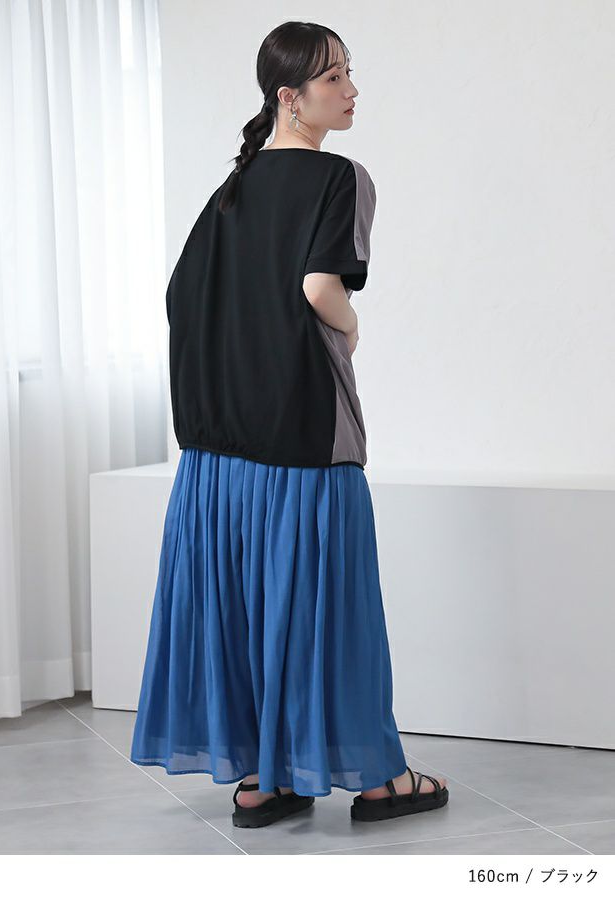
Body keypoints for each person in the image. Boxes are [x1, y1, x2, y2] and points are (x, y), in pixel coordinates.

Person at [129, 20, 449, 828]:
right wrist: (351, 326)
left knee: (244, 610)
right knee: (331, 612)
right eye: (334, 77)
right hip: (305, 435)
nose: (351, 90)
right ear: (290, 97)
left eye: (348, 73)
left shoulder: (229, 192)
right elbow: (318, 286)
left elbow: (178, 300)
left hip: (217, 453)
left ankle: (263, 779)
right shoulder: (342, 176)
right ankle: (379, 781)